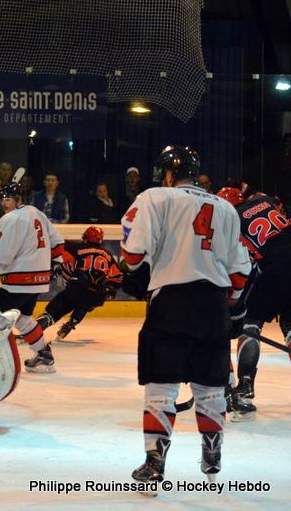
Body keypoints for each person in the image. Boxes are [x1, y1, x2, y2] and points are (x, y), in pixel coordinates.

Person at [120, 146, 250, 489]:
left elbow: (132, 255)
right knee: (211, 388)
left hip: (172, 301)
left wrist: (134, 270)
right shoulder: (225, 208)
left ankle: (154, 464)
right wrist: (231, 305)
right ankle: (212, 456)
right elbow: (240, 272)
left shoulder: (155, 197)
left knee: (161, 386)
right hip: (214, 305)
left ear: (167, 174)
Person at [0, 177, 65, 372]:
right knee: (23, 318)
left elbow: (4, 256)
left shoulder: (9, 219)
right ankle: (44, 355)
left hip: (18, 281)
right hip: (38, 281)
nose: (4, 203)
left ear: (18, 199)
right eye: (2, 199)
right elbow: (58, 244)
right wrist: (53, 265)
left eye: (8, 199)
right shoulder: (37, 213)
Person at [216, 185, 291, 422]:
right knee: (290, 326)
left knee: (250, 323)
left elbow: (241, 264)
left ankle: (245, 384)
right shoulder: (264, 200)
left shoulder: (232, 220)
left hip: (275, 269)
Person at [36, 226, 123, 341]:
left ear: (85, 237)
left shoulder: (75, 248)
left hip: (77, 288)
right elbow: (118, 277)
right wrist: (109, 288)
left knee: (56, 309)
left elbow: (59, 259)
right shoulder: (108, 255)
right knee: (87, 300)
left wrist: (53, 271)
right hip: (98, 295)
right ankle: (71, 323)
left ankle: (34, 331)